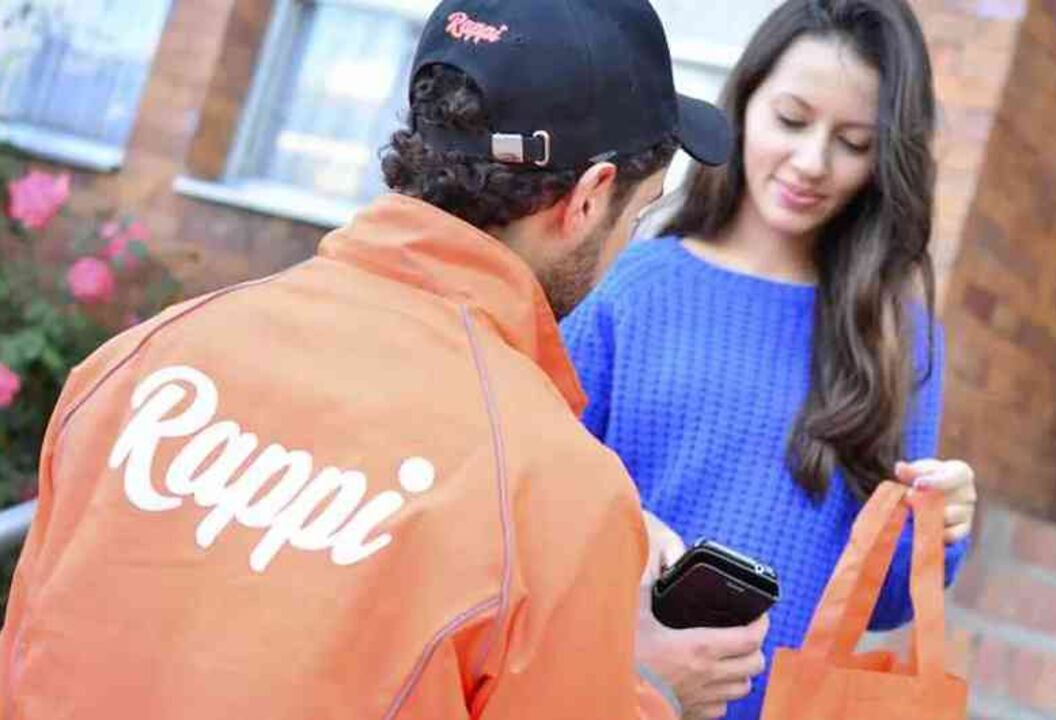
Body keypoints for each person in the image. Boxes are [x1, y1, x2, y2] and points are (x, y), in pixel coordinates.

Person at [0, 1, 767, 717]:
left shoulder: (141, 359)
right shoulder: (555, 492)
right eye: (641, 212)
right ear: (591, 197)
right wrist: (651, 688)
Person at [562, 1, 978, 717]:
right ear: (746, 101)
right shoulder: (628, 289)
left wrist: (940, 528)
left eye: (853, 142)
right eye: (791, 120)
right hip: (605, 695)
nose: (812, 163)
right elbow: (537, 521)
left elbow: (881, 604)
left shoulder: (897, 337)